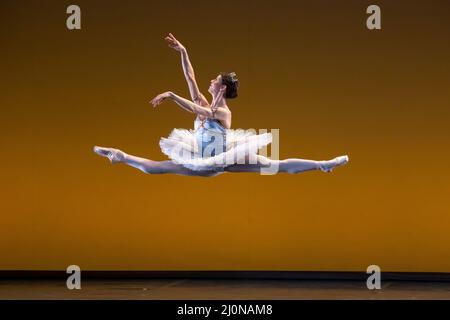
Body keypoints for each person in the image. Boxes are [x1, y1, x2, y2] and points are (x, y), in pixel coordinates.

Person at [94, 33, 349, 177]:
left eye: (214, 80)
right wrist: (184, 52)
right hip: (204, 159)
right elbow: (190, 78)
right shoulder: (206, 102)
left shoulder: (223, 112)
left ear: (222, 88)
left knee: (276, 166)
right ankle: (121, 156)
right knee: (157, 169)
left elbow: (200, 111)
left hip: (221, 158)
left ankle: (321, 164)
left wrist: (171, 95)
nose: (210, 81)